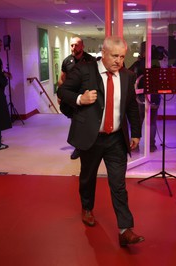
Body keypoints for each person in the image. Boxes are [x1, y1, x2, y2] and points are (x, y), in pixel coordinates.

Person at [57, 36, 144, 247]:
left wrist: (136, 133)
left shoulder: (127, 76)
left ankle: (125, 229)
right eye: (115, 56)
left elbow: (132, 106)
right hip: (91, 137)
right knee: (88, 177)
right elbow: (63, 90)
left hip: (116, 139)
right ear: (103, 53)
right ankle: (87, 208)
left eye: (122, 57)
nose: (119, 61)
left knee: (118, 184)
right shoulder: (83, 70)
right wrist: (80, 99)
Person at [58, 36, 96, 160]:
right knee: (75, 121)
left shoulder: (90, 60)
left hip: (86, 97)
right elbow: (62, 78)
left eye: (76, 45)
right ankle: (79, 147)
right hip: (72, 98)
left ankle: (87, 145)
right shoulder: (67, 61)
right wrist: (61, 94)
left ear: (82, 46)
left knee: (84, 121)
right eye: (72, 45)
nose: (73, 48)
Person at [128, 42, 161, 152]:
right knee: (152, 122)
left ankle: (135, 145)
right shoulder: (156, 63)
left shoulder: (139, 63)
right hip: (155, 96)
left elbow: (128, 72)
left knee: (138, 121)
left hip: (141, 96)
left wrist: (138, 61)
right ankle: (151, 146)